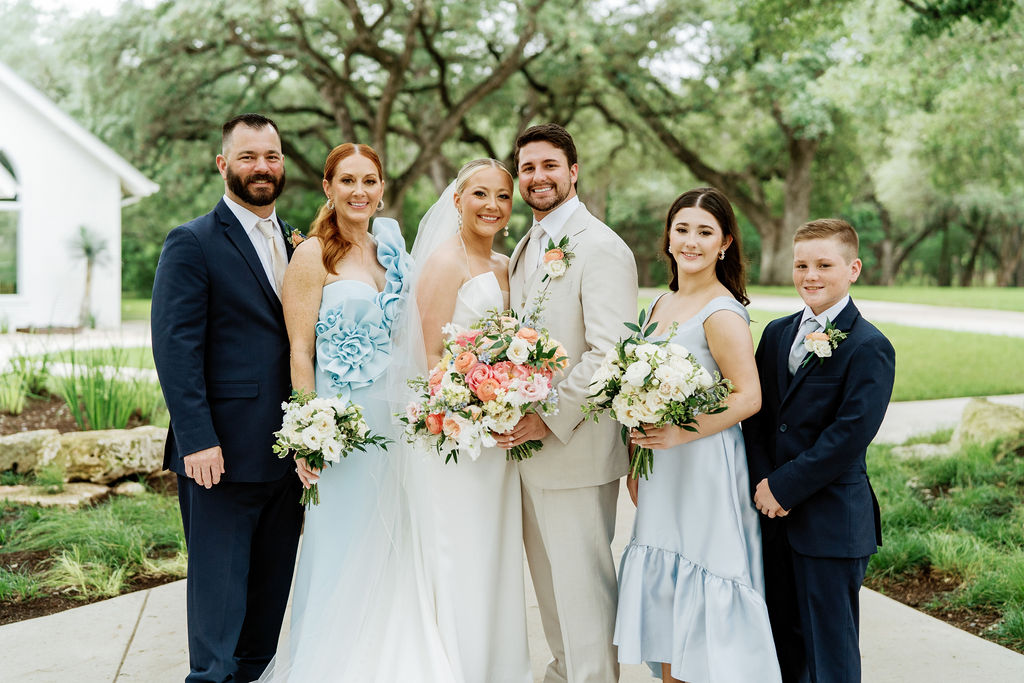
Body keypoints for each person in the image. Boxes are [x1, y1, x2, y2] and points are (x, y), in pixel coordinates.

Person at [262, 142, 456, 682]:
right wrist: (307, 431)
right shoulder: (311, 255)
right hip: (340, 430)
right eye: (347, 180)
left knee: (396, 538)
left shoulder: (391, 247)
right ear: (328, 188)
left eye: (369, 181)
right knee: (339, 541)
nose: (359, 191)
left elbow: (418, 333)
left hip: (393, 423)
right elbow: (299, 350)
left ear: (381, 188)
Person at [151, 113, 303, 683]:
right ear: (223, 164)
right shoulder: (192, 242)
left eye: (271, 156)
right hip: (220, 457)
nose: (261, 167)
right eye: (247, 157)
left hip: (287, 455)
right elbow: (175, 349)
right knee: (217, 612)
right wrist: (198, 440)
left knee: (267, 603)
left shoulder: (299, 241)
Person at [614, 187, 781, 683]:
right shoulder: (663, 301)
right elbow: (637, 389)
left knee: (703, 573)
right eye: (682, 229)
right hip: (662, 466)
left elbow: (748, 397)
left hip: (703, 463)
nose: (691, 241)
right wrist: (635, 457)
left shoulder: (722, 311)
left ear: (725, 243)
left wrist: (679, 436)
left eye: (705, 232)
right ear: (668, 236)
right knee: (667, 587)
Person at [500, 123, 638, 683]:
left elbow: (609, 352)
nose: (538, 177)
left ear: (573, 172)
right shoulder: (524, 245)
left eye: (549, 166)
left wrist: (546, 417)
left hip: (574, 448)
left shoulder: (601, 246)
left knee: (583, 594)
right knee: (551, 595)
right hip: (526, 453)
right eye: (528, 168)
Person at [743, 218, 896, 683]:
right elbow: (756, 416)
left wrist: (784, 486)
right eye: (802, 264)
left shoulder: (870, 346)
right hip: (772, 518)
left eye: (824, 264)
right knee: (782, 644)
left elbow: (848, 436)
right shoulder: (775, 333)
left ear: (853, 269)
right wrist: (762, 484)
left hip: (831, 521)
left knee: (831, 651)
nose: (810, 275)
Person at [411, 158, 532, 682]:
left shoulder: (508, 266)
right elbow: (427, 357)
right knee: (459, 551)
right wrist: (473, 404)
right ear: (457, 199)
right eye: (479, 194)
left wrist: (514, 393)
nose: (492, 206)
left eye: (503, 196)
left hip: (500, 441)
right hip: (456, 440)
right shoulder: (443, 262)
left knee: (494, 555)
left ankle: (494, 667)